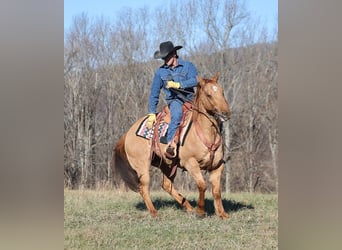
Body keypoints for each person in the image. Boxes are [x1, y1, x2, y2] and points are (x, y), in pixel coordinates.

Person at [146, 41, 198, 158]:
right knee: (177, 115)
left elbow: (196, 80)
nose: (165, 60)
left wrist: (179, 84)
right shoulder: (160, 72)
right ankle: (171, 145)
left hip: (191, 99)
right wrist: (151, 112)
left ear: (174, 54)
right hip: (175, 101)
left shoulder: (188, 66)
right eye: (163, 58)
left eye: (167, 57)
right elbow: (154, 93)